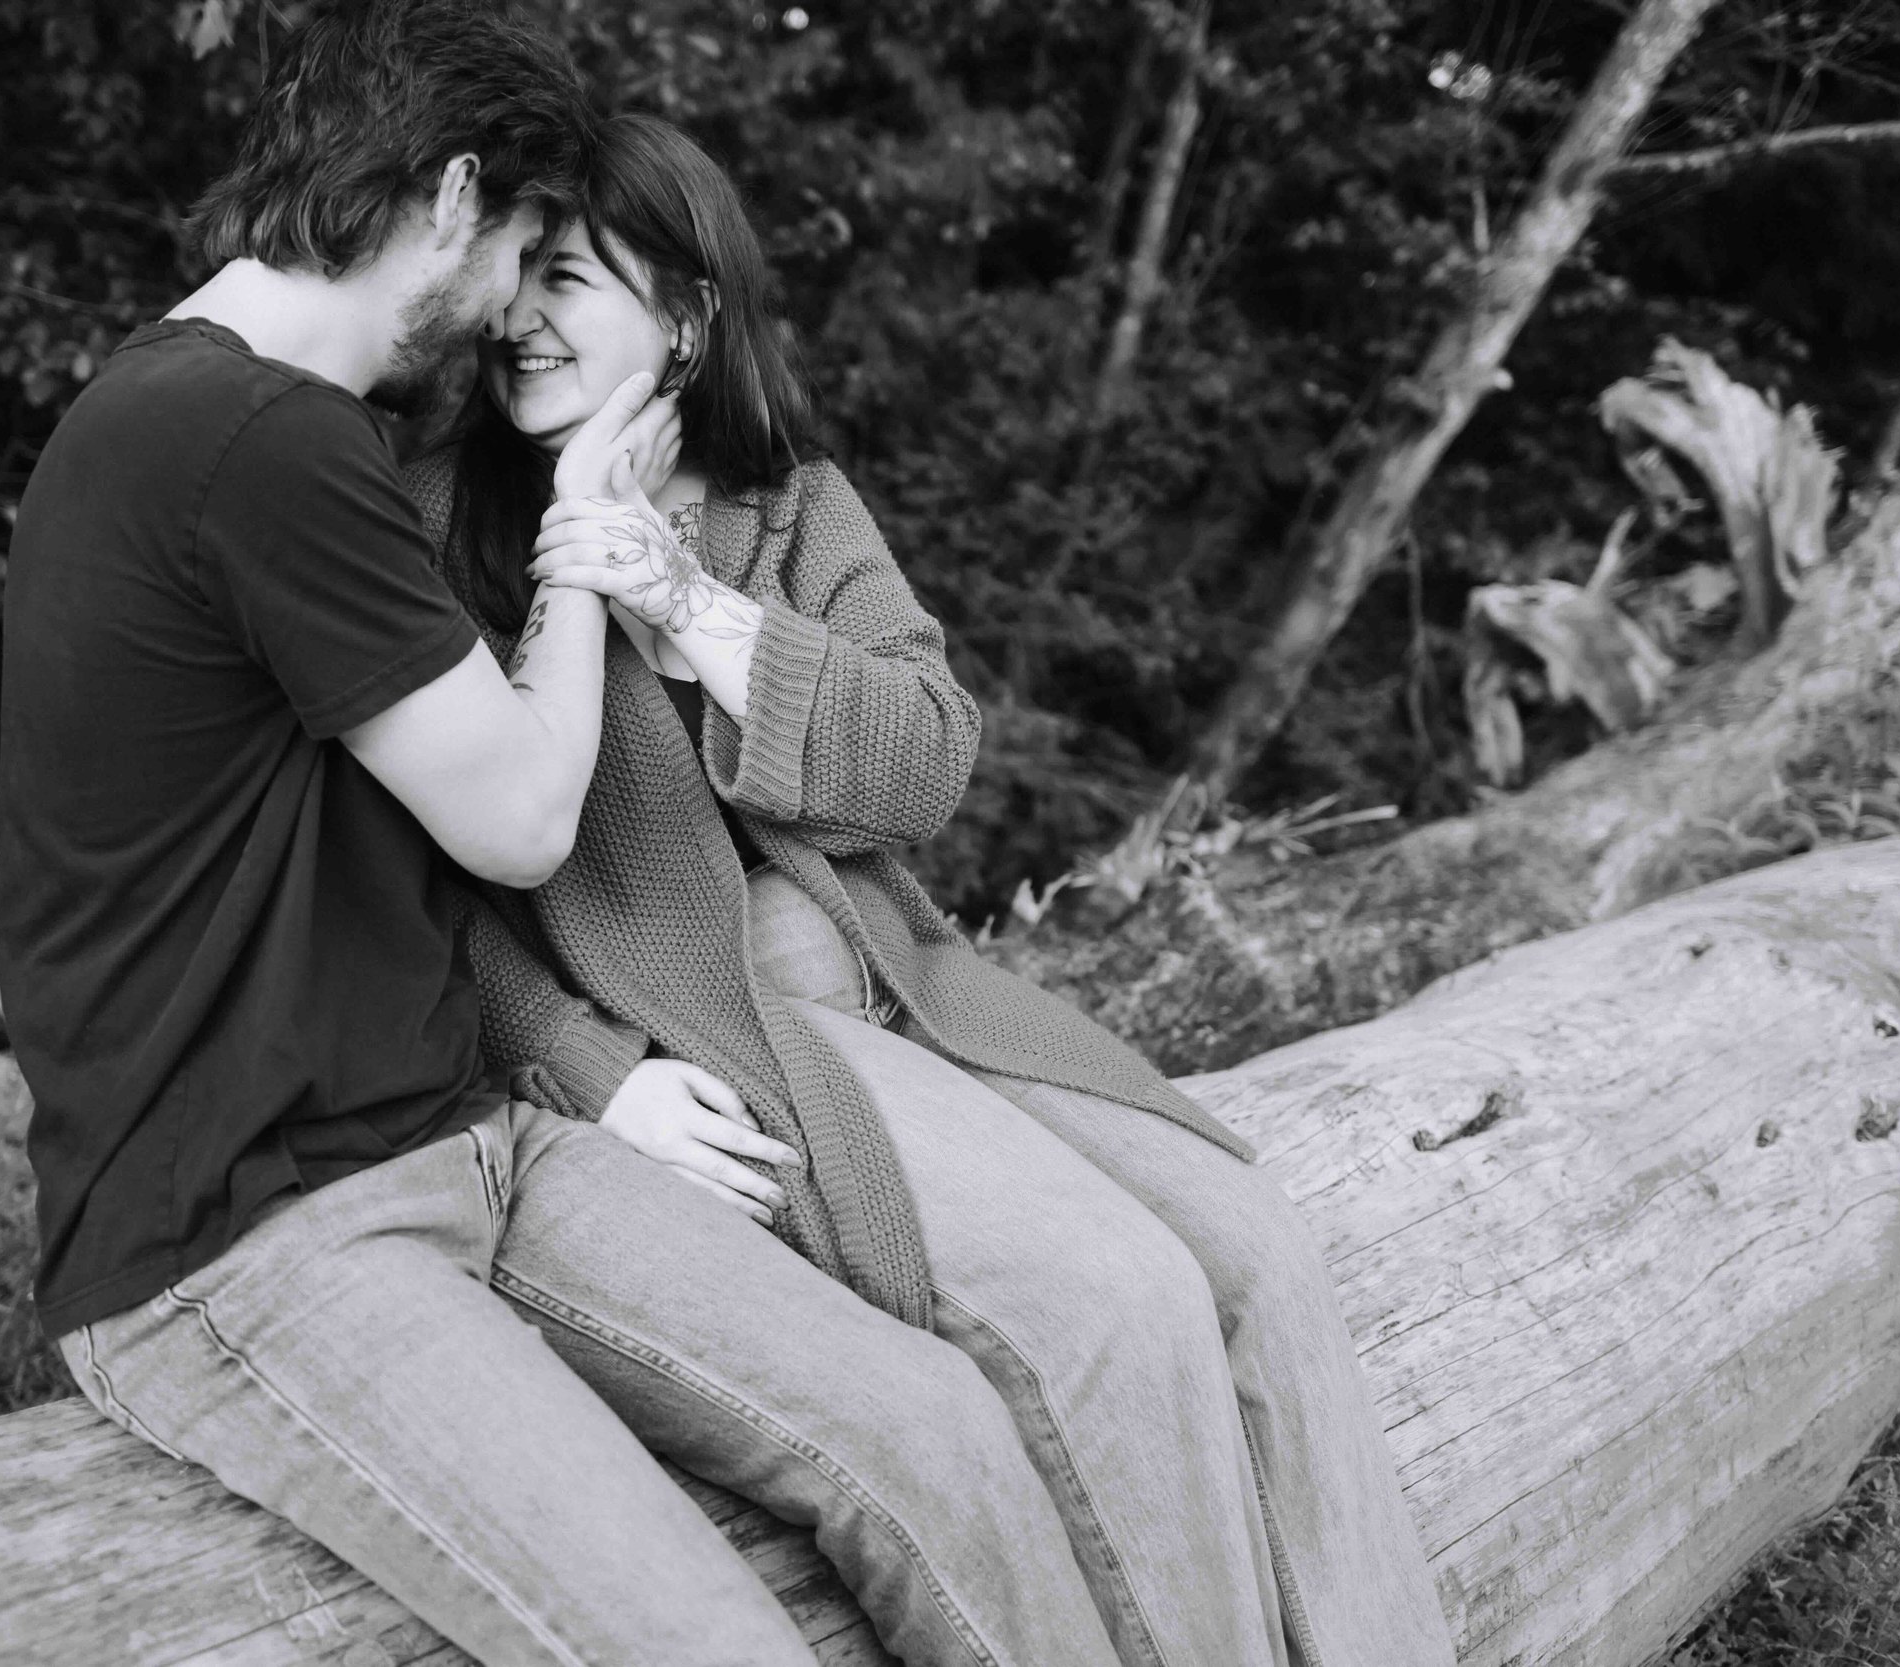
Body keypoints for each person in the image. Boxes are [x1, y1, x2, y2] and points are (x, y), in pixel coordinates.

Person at [0, 5, 1141, 1664]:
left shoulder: (249, 424)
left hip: (464, 1141)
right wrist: (588, 542)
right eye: (526, 247)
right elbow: (528, 822)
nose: (512, 311)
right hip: (252, 1238)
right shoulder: (252, 440)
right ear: (460, 195)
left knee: (941, 1438)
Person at [407, 111, 1461, 1666]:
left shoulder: (790, 508)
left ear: (686, 317)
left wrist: (686, 602)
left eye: (565, 278)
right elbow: (405, 888)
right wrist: (585, 1070)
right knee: (1114, 1306)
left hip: (906, 992)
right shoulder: (437, 528)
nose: (517, 318)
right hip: (732, 1050)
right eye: (518, 279)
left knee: (1253, 1247)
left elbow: (924, 762)